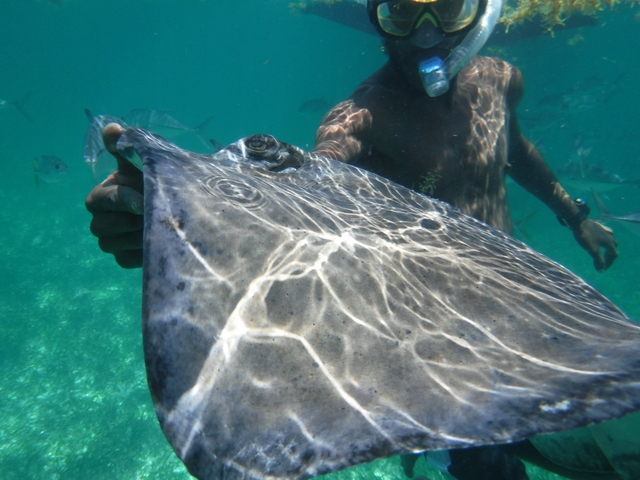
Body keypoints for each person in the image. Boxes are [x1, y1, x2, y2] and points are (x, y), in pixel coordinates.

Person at [85, 0, 619, 478]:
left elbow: (515, 151)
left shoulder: (501, 80)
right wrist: (178, 214)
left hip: (525, 315)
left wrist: (574, 215)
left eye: (448, 10)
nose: (425, 36)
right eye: (401, 14)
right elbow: (305, 184)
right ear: (375, 18)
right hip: (436, 350)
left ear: (480, 13)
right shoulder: (364, 113)